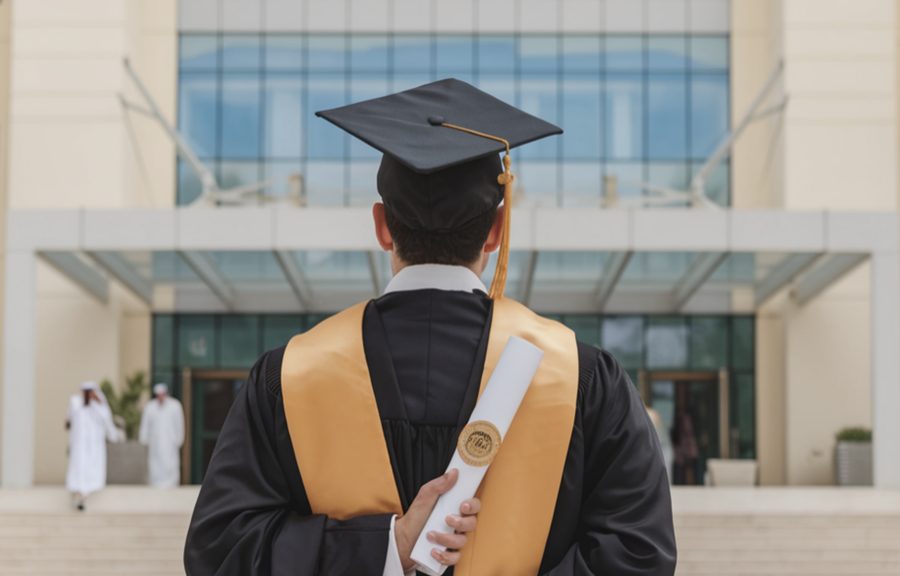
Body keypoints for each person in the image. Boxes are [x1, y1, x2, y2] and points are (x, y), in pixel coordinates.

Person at [185, 79, 676, 575]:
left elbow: (219, 553)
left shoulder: (288, 377)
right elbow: (639, 555)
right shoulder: (581, 378)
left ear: (381, 226)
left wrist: (380, 550)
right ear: (497, 230)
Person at [66, 381, 121, 511]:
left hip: (95, 447)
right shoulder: (76, 404)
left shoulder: (100, 407)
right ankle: (79, 496)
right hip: (79, 446)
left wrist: (113, 436)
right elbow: (69, 421)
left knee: (92, 472)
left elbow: (108, 423)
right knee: (78, 471)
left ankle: (83, 496)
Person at [139, 383, 185, 488]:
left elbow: (180, 423)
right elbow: (145, 424)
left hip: (170, 441)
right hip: (155, 441)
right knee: (155, 463)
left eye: (162, 394)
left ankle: (171, 483)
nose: (160, 397)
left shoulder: (175, 405)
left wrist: (179, 439)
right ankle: (156, 483)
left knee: (170, 462)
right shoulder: (150, 406)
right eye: (158, 394)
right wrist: (144, 438)